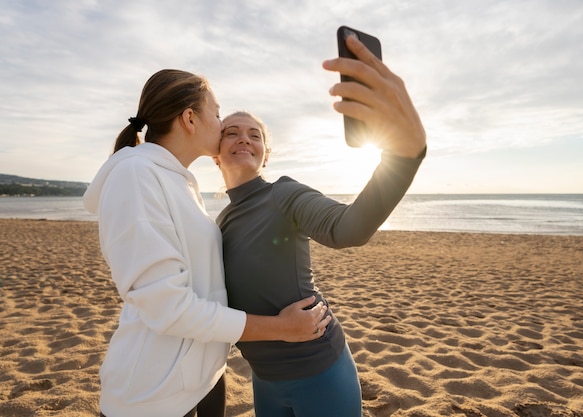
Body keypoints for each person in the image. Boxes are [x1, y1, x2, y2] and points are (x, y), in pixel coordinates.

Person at [83, 69, 331, 417]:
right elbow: (168, 306)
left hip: (203, 380)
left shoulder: (180, 182)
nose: (220, 122)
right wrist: (279, 328)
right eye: (216, 113)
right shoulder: (136, 176)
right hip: (155, 395)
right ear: (189, 118)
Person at [212, 35, 427, 417]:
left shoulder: (283, 194)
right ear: (216, 153)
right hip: (263, 379)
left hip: (320, 371)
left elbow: (348, 228)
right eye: (231, 131)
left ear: (265, 156)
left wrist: (404, 155)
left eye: (255, 134)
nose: (244, 137)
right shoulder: (219, 222)